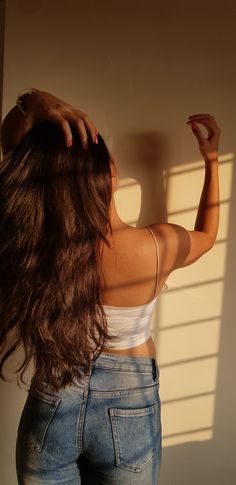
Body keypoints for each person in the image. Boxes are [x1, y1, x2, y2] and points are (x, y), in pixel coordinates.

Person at [0, 89, 220, 485]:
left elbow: (14, 152)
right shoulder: (154, 248)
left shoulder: (35, 244)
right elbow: (206, 233)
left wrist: (33, 102)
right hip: (128, 402)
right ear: (110, 174)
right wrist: (211, 160)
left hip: (53, 396)